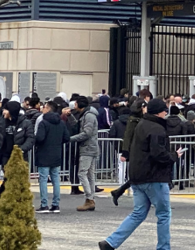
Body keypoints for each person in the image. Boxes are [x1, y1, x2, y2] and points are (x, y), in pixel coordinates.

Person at [99, 98, 183, 250]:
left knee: (138, 213)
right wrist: (174, 156)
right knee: (163, 214)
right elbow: (158, 154)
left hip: (138, 176)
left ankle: (111, 242)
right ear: (159, 112)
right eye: (164, 109)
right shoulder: (157, 129)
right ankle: (163, 247)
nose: (166, 112)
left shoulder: (141, 125)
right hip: (154, 177)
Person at [35, 101, 70, 214]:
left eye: (44, 107)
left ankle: (44, 204)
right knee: (56, 179)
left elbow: (40, 138)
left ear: (48, 109)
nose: (42, 109)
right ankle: (56, 204)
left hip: (44, 153)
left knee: (43, 179)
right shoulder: (61, 123)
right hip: (57, 153)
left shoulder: (43, 123)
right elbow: (66, 137)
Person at [111, 98, 145, 206]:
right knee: (139, 175)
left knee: (139, 175)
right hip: (137, 149)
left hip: (141, 148)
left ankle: (119, 191)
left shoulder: (140, 119)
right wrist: (125, 151)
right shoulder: (133, 120)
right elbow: (128, 136)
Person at [70, 96, 100, 212]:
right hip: (90, 148)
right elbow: (78, 126)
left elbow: (86, 133)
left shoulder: (89, 116)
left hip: (88, 148)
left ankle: (89, 199)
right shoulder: (86, 115)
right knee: (90, 175)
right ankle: (90, 198)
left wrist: (70, 139)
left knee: (82, 173)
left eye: (76, 103)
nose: (74, 105)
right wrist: (70, 117)